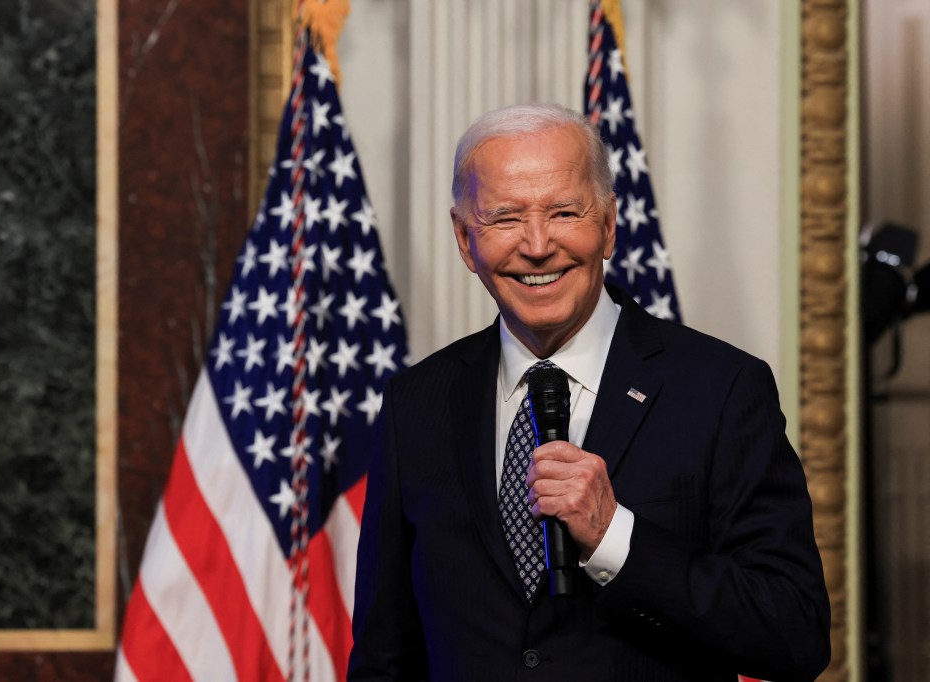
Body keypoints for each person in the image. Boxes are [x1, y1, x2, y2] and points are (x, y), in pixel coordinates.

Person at [348, 103, 830, 681]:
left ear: (608, 225)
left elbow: (794, 632)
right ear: (463, 238)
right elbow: (384, 655)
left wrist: (615, 537)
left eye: (563, 212)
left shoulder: (720, 389)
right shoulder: (416, 404)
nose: (536, 244)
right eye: (504, 218)